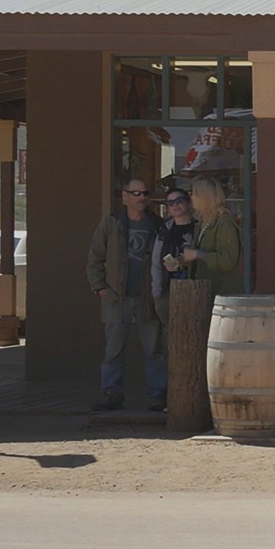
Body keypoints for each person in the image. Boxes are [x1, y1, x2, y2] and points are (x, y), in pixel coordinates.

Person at [85, 176, 166, 412]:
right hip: (116, 296)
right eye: (136, 193)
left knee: (154, 349)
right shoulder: (112, 223)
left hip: (147, 297)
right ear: (125, 196)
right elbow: (95, 257)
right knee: (113, 349)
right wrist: (99, 287)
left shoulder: (157, 224)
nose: (142, 198)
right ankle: (111, 393)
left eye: (145, 193)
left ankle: (158, 394)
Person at [181, 177, 243, 297]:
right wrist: (183, 260)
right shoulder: (202, 223)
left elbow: (228, 261)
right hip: (205, 293)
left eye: (193, 193)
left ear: (204, 197)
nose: (191, 197)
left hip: (224, 296)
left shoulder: (224, 223)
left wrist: (197, 254)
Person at [151, 187, 196, 325]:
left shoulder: (200, 229)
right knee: (171, 336)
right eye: (170, 203)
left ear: (189, 203)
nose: (175, 205)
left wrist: (186, 261)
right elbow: (156, 264)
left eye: (179, 201)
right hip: (168, 290)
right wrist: (157, 294)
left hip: (196, 289)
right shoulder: (163, 232)